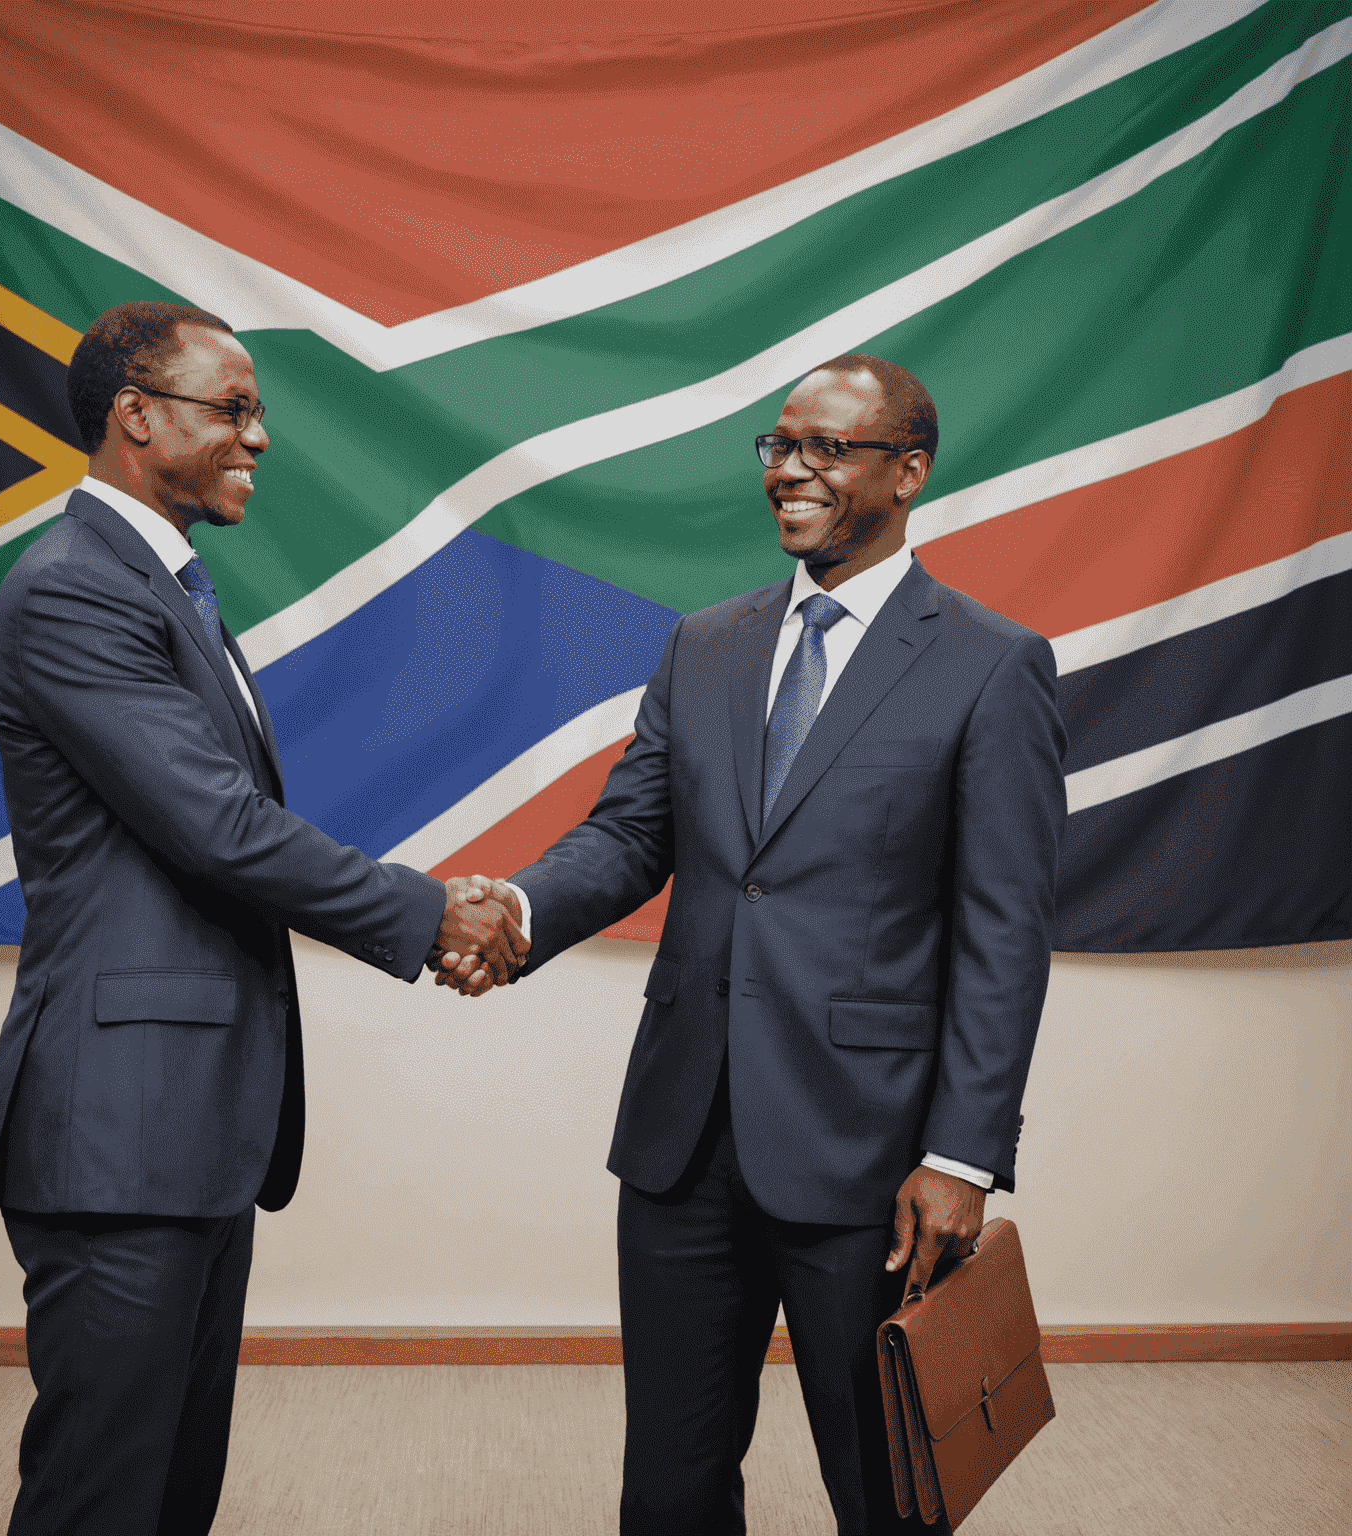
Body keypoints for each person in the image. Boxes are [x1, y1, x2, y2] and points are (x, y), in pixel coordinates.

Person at [442, 355, 1066, 1534]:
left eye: (829, 448)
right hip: (682, 1144)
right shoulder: (705, 645)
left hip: (872, 1158)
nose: (791, 470)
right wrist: (517, 913)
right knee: (669, 1487)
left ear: (909, 472)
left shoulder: (992, 665)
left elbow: (1004, 933)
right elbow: (630, 835)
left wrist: (964, 1156)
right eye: (780, 445)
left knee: (885, 1486)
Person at [0, 299, 525, 1535]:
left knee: (171, 1492)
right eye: (232, 408)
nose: (259, 437)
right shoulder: (73, 591)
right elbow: (218, 828)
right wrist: (436, 913)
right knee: (99, 1497)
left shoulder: (165, 583)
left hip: (191, 1129)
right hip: (117, 1135)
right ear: (135, 416)